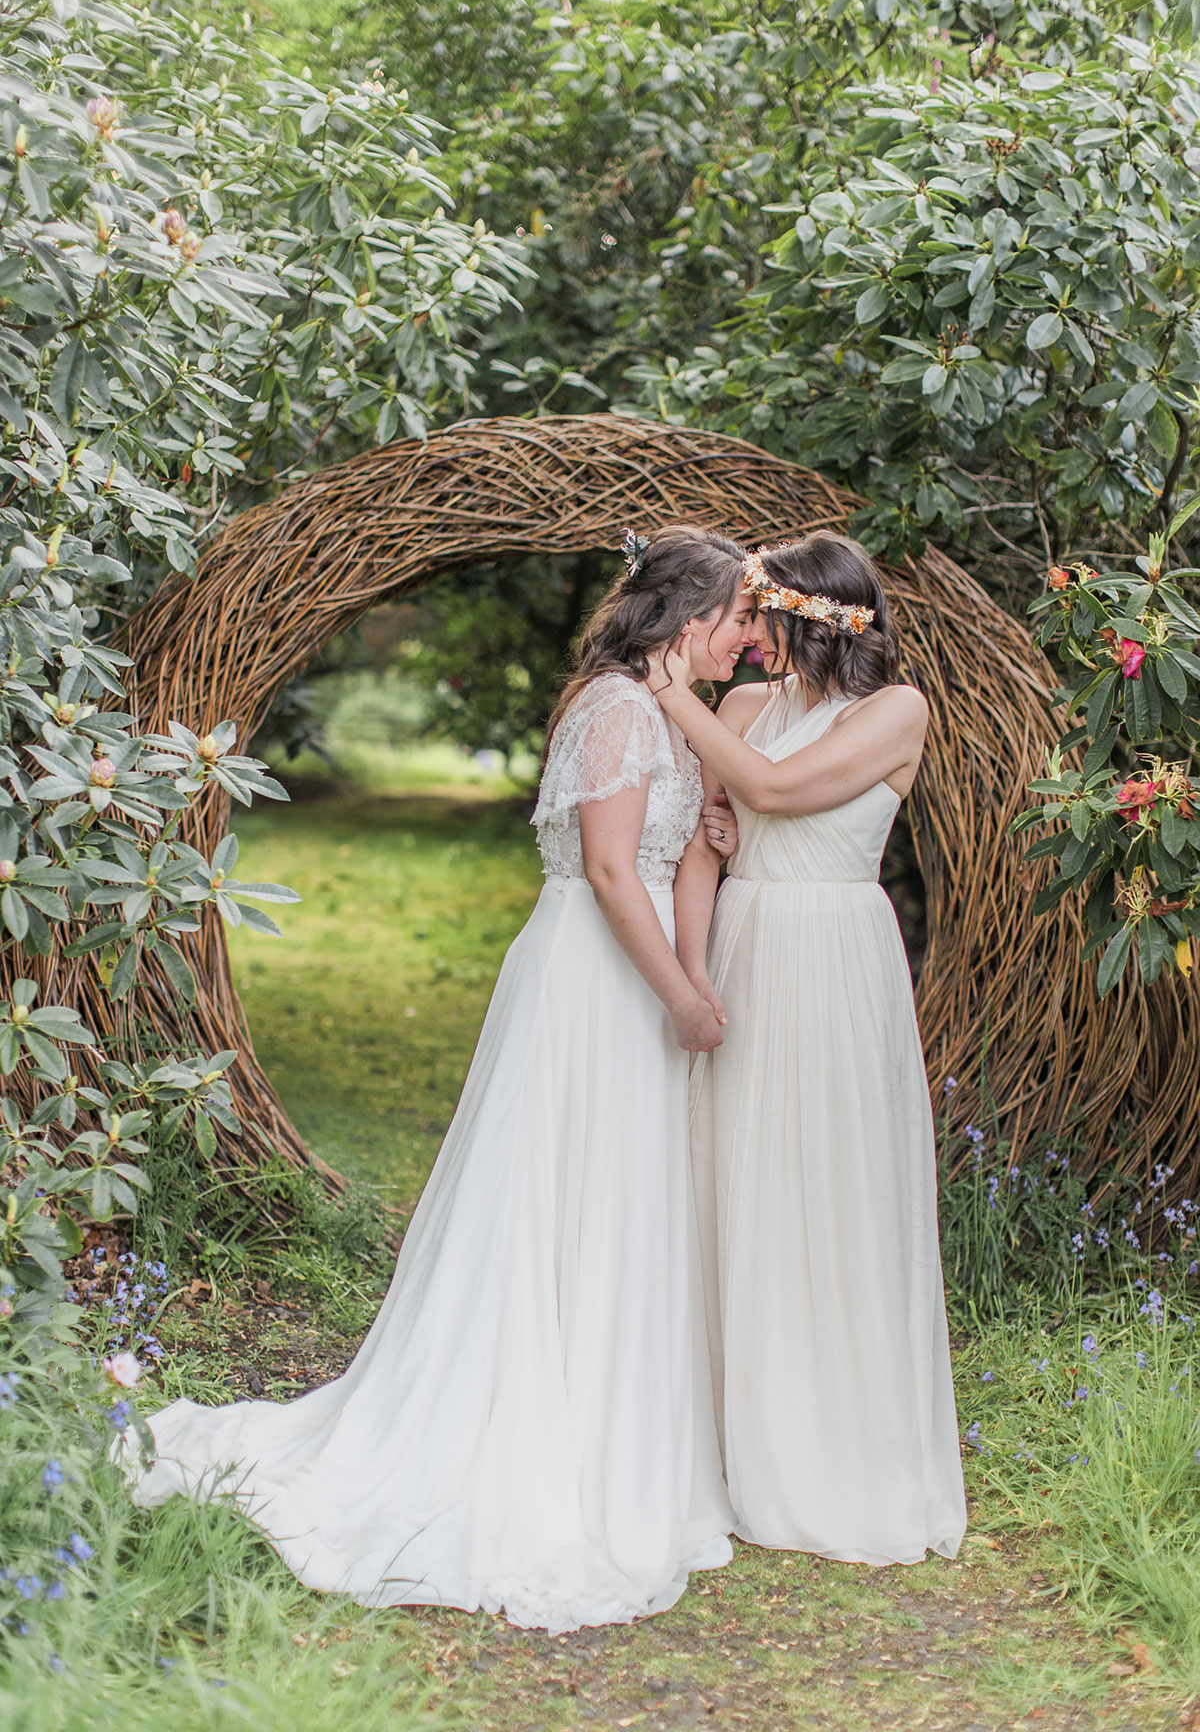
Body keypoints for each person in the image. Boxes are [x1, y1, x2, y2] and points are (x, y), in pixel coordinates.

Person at [121, 525, 757, 1634]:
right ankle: (532, 1441)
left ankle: (606, 1431)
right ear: (691, 620)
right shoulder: (613, 707)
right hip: (596, 980)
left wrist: (702, 816)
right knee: (561, 1197)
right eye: (739, 622)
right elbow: (610, 872)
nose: (748, 644)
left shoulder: (661, 715)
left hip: (629, 972)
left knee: (612, 1205)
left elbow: (654, 845)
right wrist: (682, 996)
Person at [648, 532, 967, 1566]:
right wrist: (691, 974)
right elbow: (709, 842)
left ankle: (828, 1447)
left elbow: (775, 797)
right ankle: (730, 1443)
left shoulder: (896, 712)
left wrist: (669, 694)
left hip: (834, 959)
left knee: (826, 1187)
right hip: (744, 945)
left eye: (762, 618)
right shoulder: (741, 709)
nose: (745, 641)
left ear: (812, 617)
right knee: (731, 1183)